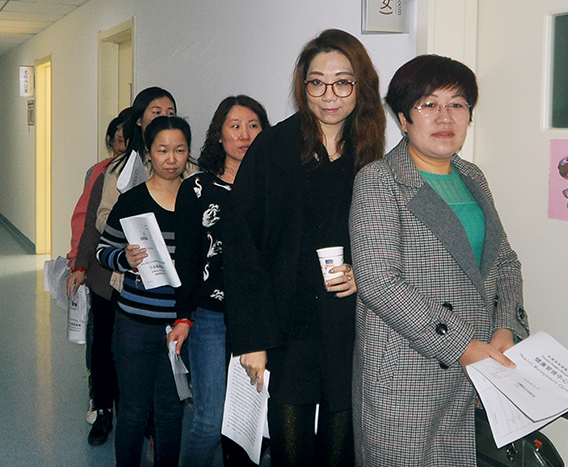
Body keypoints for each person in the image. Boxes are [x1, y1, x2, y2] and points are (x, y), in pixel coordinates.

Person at [349, 55, 530, 466]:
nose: (445, 117)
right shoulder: (379, 180)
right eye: (428, 104)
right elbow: (378, 282)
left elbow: (503, 262)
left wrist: (506, 326)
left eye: (457, 104)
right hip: (408, 374)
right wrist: (462, 345)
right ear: (403, 118)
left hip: (478, 364)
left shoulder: (473, 177)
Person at [224, 29, 386, 467]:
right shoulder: (274, 147)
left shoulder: (369, 153)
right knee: (291, 453)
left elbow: (384, 238)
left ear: (360, 86)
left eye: (343, 82)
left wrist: (362, 273)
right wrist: (252, 340)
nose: (329, 95)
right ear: (303, 86)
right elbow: (241, 247)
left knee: (340, 452)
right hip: (285, 328)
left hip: (345, 328)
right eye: (317, 83)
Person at [169, 95, 270, 467]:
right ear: (219, 134)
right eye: (235, 126)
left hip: (260, 318)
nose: (244, 134)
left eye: (253, 126)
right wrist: (183, 316)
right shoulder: (196, 188)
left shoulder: (273, 188)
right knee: (210, 420)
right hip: (210, 316)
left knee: (251, 422)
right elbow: (187, 259)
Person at [96, 116, 193, 467]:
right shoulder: (132, 200)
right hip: (135, 323)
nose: (171, 158)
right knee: (134, 410)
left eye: (179, 150)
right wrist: (124, 259)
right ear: (148, 153)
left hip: (179, 325)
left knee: (170, 410)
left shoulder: (197, 200)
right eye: (163, 150)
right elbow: (103, 251)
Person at [66, 111, 129, 446]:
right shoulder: (102, 172)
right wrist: (79, 262)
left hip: (140, 280)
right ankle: (101, 403)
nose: (122, 138)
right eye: (118, 133)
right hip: (104, 273)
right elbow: (86, 219)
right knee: (101, 340)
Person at [96, 87, 197, 234]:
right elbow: (103, 218)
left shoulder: (190, 167)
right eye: (157, 112)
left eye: (170, 113)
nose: (164, 118)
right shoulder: (120, 167)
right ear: (139, 120)